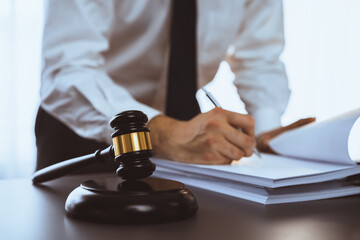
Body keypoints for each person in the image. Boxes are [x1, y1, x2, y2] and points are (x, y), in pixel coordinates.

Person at [35, 0, 313, 171]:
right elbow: (67, 69)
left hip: (187, 132)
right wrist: (162, 133)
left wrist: (265, 132)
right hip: (86, 129)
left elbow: (259, 58)